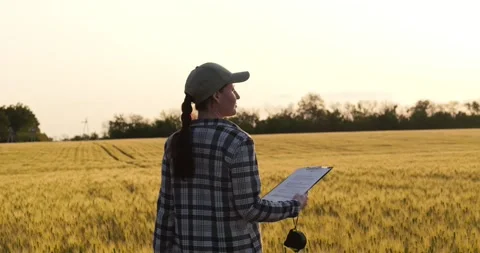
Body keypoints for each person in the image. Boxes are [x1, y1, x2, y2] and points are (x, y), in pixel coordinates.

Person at [153, 62, 309, 253]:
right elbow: (250, 209)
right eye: (233, 90)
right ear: (216, 96)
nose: (237, 96)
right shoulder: (237, 141)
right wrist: (294, 205)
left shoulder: (174, 142)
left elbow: (166, 210)